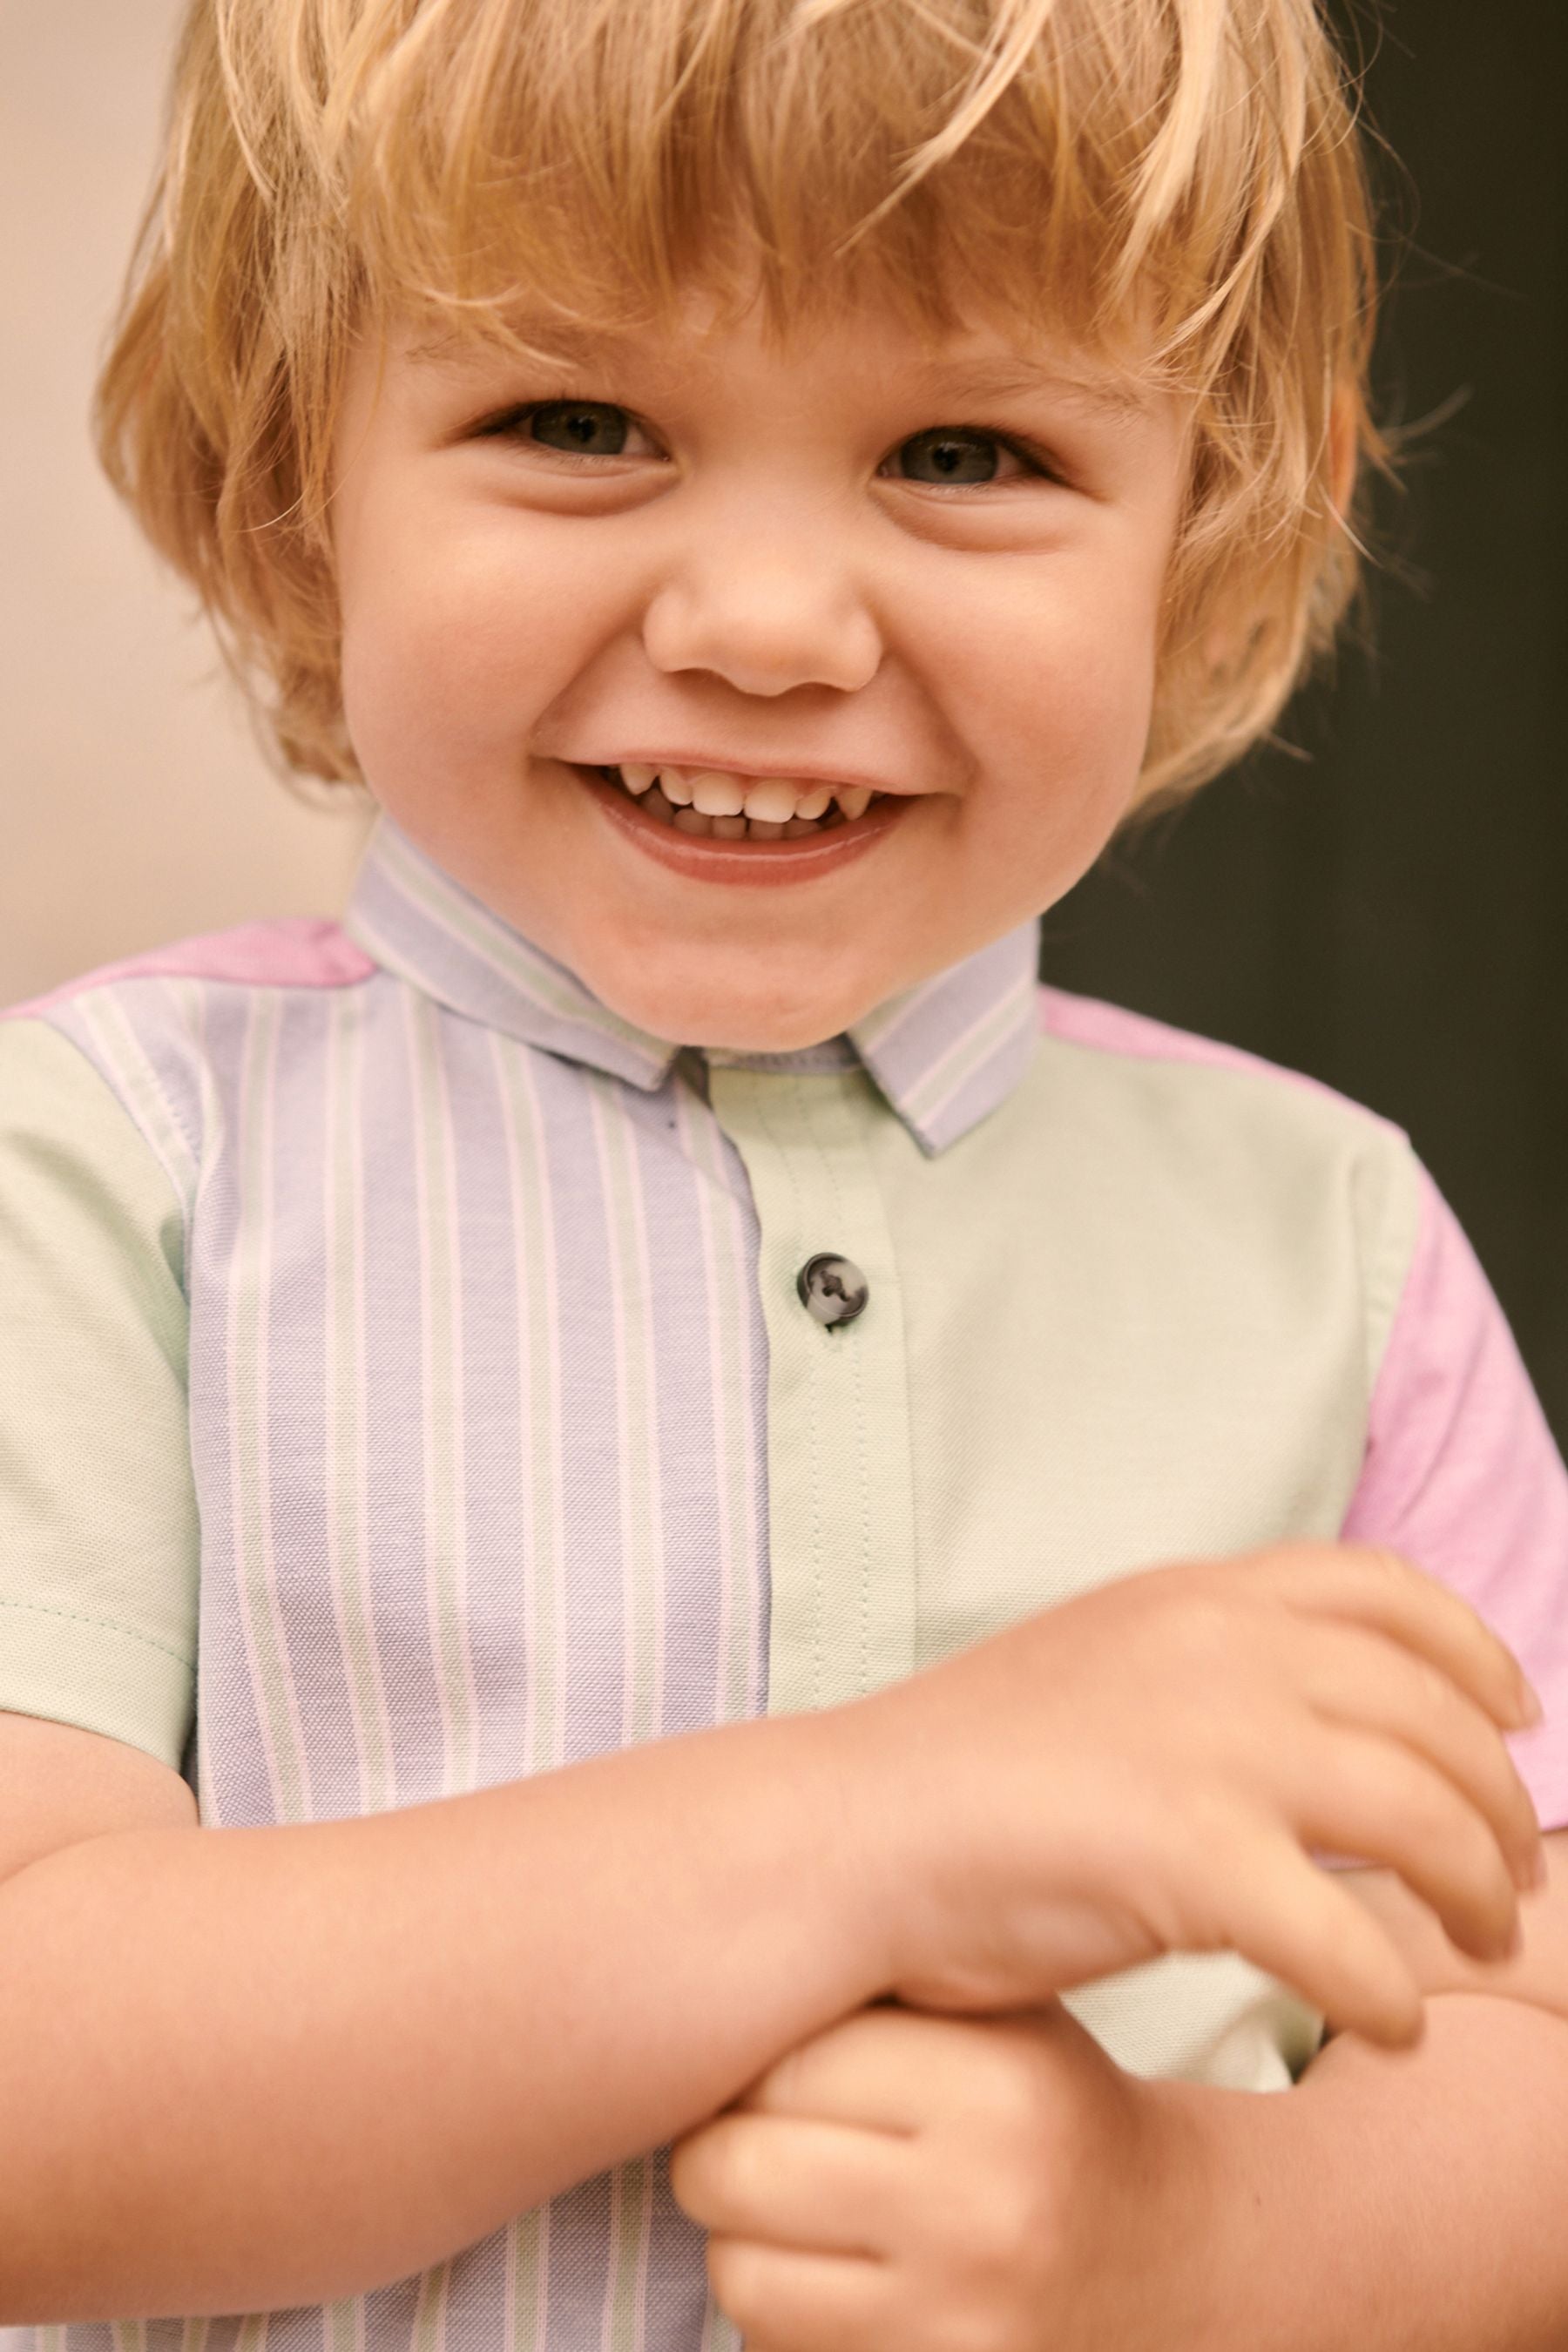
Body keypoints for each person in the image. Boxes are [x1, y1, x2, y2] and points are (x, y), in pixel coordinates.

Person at [1, 0, 1565, 2342]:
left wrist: (1178, 2230)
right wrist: (873, 1823)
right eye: (575, 421)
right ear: (279, 477)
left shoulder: (1335, 1247)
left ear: (1230, 516)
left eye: (965, 447)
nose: (765, 626)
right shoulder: (107, 1174)